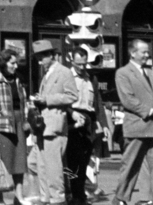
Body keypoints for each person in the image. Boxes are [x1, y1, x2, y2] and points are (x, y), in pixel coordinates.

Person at [113, 39, 153, 205]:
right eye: (143, 52)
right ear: (133, 53)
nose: (147, 55)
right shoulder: (123, 73)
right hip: (138, 125)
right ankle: (120, 199)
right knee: (130, 164)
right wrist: (151, 111)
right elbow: (127, 99)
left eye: (147, 52)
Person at [33, 41, 78, 205]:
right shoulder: (47, 74)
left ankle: (58, 199)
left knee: (54, 168)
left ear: (50, 55)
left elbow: (72, 96)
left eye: (41, 57)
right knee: (40, 165)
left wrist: (47, 99)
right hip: (43, 126)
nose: (39, 61)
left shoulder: (63, 72)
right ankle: (46, 198)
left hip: (55, 126)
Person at [0, 46, 30, 205]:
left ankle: (19, 197)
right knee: (0, 163)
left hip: (19, 125)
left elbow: (24, 103)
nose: (16, 66)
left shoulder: (19, 80)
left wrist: (26, 122)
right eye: (12, 63)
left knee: (19, 163)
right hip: (2, 127)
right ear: (3, 63)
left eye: (16, 63)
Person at [64, 44, 99, 205]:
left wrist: (100, 123)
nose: (82, 67)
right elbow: (62, 100)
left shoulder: (91, 78)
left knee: (85, 160)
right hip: (72, 118)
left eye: (84, 63)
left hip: (88, 120)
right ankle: (73, 194)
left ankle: (80, 194)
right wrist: (71, 113)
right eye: (78, 64)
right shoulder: (66, 77)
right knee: (73, 160)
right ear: (72, 60)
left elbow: (97, 102)